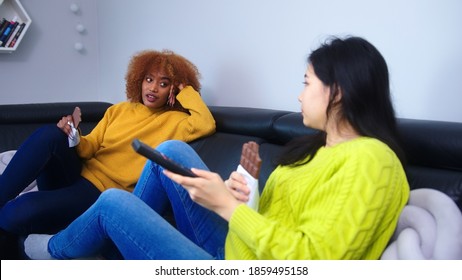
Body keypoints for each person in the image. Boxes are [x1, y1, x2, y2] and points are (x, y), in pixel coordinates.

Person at [24, 36, 410, 260]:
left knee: (113, 203)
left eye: (307, 83)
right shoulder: (316, 149)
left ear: (338, 91)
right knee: (172, 152)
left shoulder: (372, 161)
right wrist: (242, 194)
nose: (299, 94)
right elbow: (273, 221)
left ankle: (58, 254)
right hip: (237, 246)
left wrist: (226, 206)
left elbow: (313, 261)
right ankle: (118, 244)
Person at [0, 49, 216, 259]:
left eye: (163, 83)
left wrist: (184, 89)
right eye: (148, 80)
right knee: (50, 135)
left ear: (172, 91)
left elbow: (206, 123)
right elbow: (89, 147)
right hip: (78, 175)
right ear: (139, 80)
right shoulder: (119, 110)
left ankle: (71, 229)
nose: (153, 88)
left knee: (13, 214)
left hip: (100, 195)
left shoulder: (177, 122)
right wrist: (72, 135)